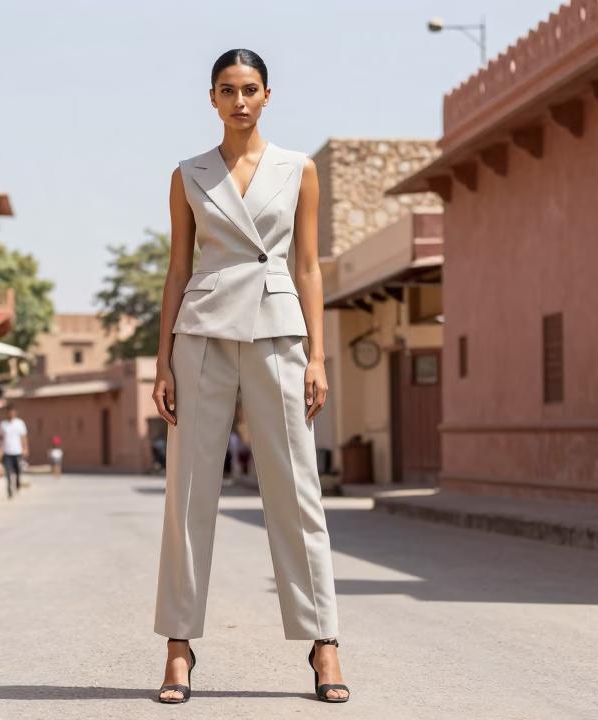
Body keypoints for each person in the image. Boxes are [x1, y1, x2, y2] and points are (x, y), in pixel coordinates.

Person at [150, 49, 348, 704]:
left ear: (268, 96)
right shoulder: (188, 174)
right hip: (201, 334)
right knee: (187, 495)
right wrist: (161, 361)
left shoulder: (299, 170)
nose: (240, 101)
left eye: (251, 89)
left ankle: (325, 645)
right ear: (211, 98)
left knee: (296, 490)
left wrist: (317, 355)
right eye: (228, 90)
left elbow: (309, 268)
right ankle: (178, 648)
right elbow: (178, 270)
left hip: (277, 333)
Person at [0, 406, 28, 499]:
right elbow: (0, 438)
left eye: (13, 412)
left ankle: (17, 486)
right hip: (7, 452)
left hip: (17, 451)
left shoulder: (20, 423)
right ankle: (9, 490)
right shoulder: (3, 425)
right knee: (8, 472)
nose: (11, 414)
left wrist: (25, 448)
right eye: (10, 412)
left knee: (17, 470)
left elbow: (23, 437)